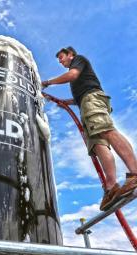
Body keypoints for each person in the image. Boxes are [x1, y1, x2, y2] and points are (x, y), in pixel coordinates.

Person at [41, 47, 137, 211]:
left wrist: (47, 82)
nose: (61, 61)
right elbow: (79, 96)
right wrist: (65, 102)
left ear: (71, 55)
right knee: (98, 145)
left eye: (62, 57)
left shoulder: (78, 61)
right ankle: (111, 188)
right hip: (84, 103)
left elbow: (73, 75)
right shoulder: (77, 82)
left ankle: (135, 173)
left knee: (105, 130)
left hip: (92, 99)